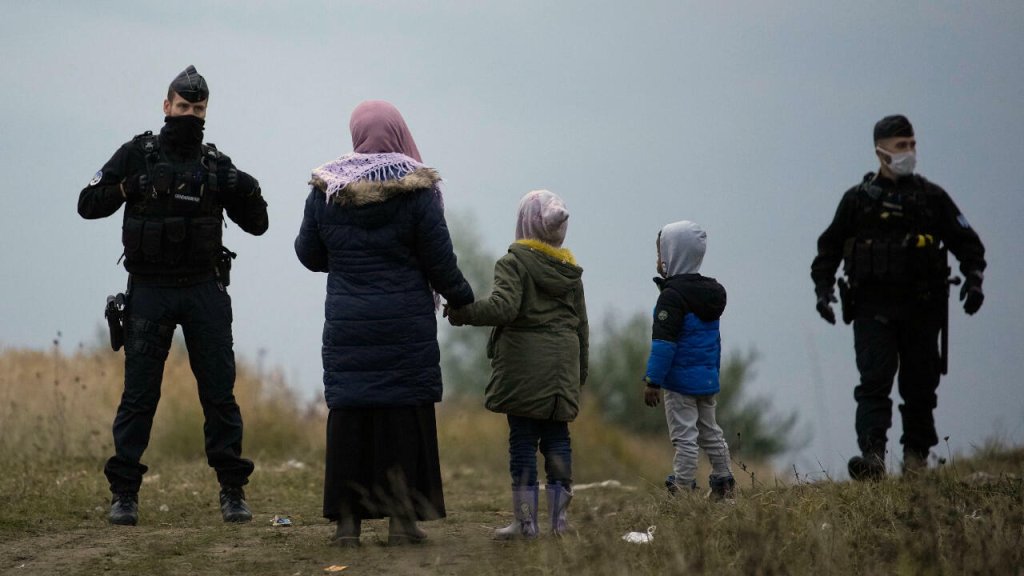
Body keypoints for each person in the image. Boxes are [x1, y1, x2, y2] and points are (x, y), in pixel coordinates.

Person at [78, 65, 268, 525]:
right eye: (182, 107)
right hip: (149, 291)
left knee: (219, 394)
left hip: (203, 288)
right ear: (166, 106)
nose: (189, 115)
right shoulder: (137, 155)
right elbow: (87, 203)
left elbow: (259, 223)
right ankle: (124, 494)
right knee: (139, 395)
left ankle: (232, 491)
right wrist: (128, 187)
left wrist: (240, 186)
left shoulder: (215, 164)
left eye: (198, 108)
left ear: (206, 112)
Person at [295, 100, 474, 547]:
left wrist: (347, 259)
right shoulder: (416, 193)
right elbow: (440, 260)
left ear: (356, 133)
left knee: (351, 419)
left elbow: (309, 253)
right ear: (398, 133)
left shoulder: (327, 191)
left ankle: (347, 527)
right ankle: (402, 525)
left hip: (349, 326)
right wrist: (463, 299)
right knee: (402, 419)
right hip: (404, 328)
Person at [811, 114, 986, 480]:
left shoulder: (931, 198)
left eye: (912, 144)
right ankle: (872, 457)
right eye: (900, 146)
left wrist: (974, 281)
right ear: (880, 151)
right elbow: (827, 251)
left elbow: (968, 245)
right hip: (872, 309)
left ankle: (915, 459)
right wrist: (823, 292)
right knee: (874, 382)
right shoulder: (858, 201)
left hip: (923, 307)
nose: (908, 152)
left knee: (920, 387)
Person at [446, 190, 589, 539]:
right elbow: (582, 327)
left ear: (524, 223)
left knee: (523, 440)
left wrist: (464, 312)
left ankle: (525, 523)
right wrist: (578, 372)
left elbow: (503, 308)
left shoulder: (514, 263)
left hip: (525, 367)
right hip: (562, 367)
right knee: (557, 438)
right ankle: (559, 522)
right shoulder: (570, 272)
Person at [640, 221, 735, 500]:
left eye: (660, 253)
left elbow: (664, 345)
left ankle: (682, 488)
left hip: (680, 384)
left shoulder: (672, 297)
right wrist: (712, 375)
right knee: (710, 432)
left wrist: (653, 380)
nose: (658, 260)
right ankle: (724, 482)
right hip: (706, 380)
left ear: (672, 255)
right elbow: (713, 343)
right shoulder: (710, 294)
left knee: (685, 437)